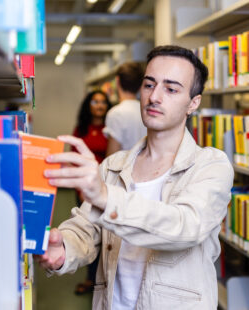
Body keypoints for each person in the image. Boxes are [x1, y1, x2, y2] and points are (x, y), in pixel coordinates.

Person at [37, 45, 234, 309]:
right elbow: (86, 229)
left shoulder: (210, 165)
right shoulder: (114, 166)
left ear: (193, 103)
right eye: (149, 85)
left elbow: (185, 226)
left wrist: (107, 198)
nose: (155, 97)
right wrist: (64, 249)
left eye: (171, 89)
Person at [71, 90, 111, 294]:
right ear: (88, 105)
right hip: (83, 189)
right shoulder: (81, 129)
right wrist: (80, 189)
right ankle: (90, 279)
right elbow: (75, 159)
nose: (99, 105)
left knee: (107, 236)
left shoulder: (111, 128)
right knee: (89, 233)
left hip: (107, 189)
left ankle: (104, 279)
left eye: (103, 102)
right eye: (95, 101)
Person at [103, 62, 148, 156]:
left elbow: (112, 158)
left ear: (117, 81)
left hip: (124, 169)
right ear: (141, 85)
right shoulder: (147, 110)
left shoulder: (116, 113)